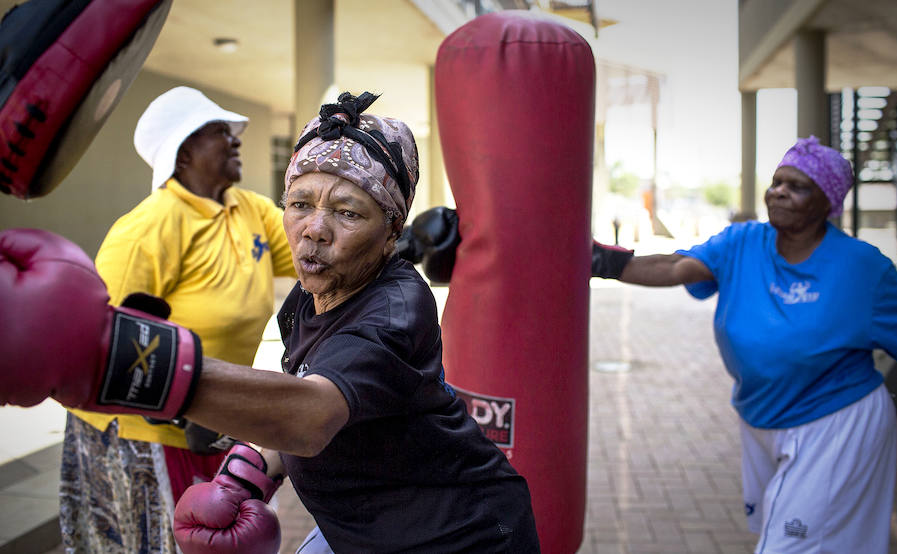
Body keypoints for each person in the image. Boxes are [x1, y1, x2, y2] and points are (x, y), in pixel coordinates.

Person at [0, 91, 541, 553]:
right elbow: (299, 392)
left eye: (348, 212)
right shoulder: (307, 299)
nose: (314, 229)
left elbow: (312, 413)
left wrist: (116, 361)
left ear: (392, 229)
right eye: (299, 204)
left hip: (460, 533)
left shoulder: (397, 309)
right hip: (358, 528)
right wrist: (246, 473)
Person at [594, 136, 897, 553]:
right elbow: (673, 266)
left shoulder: (864, 269)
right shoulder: (741, 243)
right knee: (800, 535)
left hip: (835, 421)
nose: (779, 191)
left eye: (798, 186)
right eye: (776, 181)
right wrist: (601, 261)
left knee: (788, 545)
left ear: (826, 202)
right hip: (760, 416)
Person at [59, 86, 296, 553]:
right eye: (219, 132)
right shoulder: (149, 226)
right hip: (141, 435)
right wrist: (176, 405)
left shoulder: (247, 209)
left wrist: (389, 237)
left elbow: (310, 255)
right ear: (184, 150)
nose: (235, 139)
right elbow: (101, 341)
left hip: (212, 419)